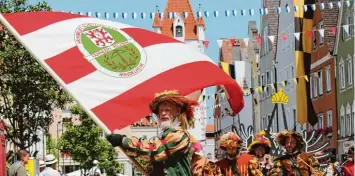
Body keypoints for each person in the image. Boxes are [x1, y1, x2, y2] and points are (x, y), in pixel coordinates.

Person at [106, 90, 203, 176]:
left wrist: (123, 140)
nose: (163, 113)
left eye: (167, 110)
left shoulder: (179, 135)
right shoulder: (164, 136)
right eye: (161, 111)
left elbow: (154, 151)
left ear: (177, 111)